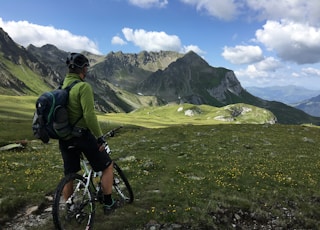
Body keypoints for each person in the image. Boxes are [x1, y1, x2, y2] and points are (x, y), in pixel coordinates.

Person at [59, 52, 117, 214]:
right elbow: (89, 116)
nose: (87, 70)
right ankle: (108, 203)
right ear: (82, 69)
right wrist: (99, 138)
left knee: (69, 174)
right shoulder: (83, 87)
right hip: (81, 136)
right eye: (86, 67)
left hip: (64, 138)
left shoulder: (63, 86)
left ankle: (70, 208)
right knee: (107, 166)